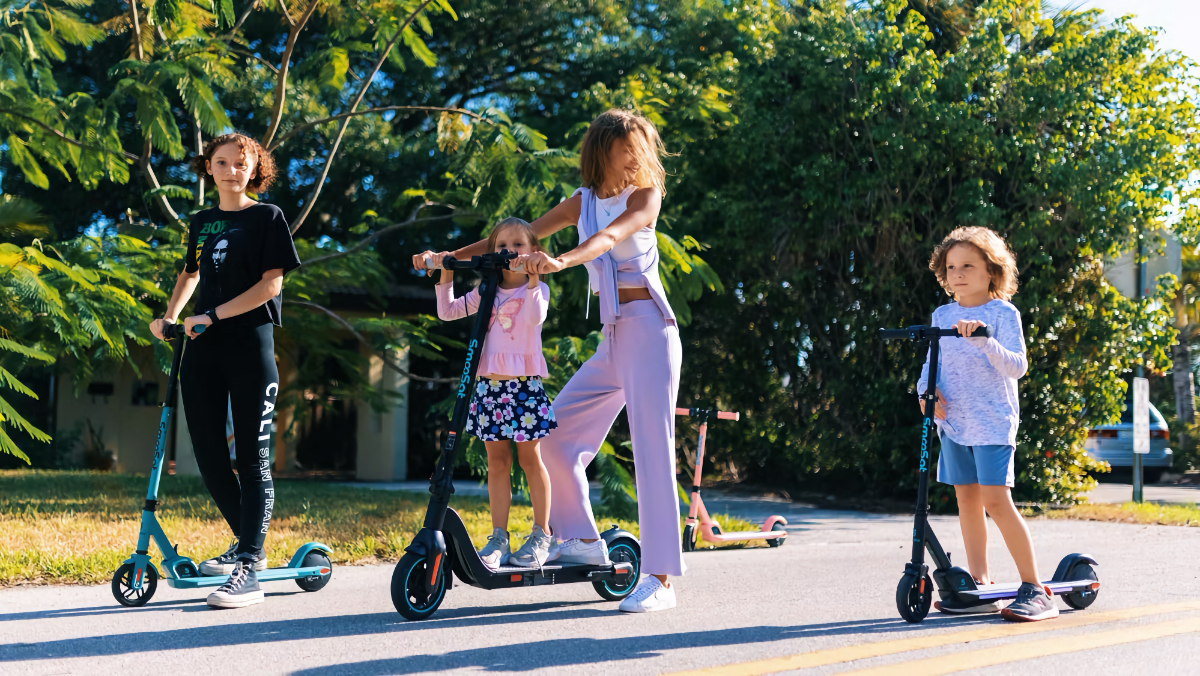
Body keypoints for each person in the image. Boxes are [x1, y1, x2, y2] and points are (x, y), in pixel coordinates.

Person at [412, 108, 684, 613]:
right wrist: (447, 259)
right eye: (630, 146)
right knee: (555, 436)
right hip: (614, 337)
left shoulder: (645, 196)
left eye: (642, 146)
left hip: (650, 331)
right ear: (603, 150)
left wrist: (562, 260)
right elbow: (513, 237)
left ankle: (662, 579)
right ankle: (581, 538)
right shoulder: (582, 201)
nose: (639, 156)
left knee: (651, 452)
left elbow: (608, 238)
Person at [149, 133, 300, 609]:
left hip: (250, 349)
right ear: (208, 168)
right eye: (222, 162)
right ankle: (245, 544)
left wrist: (211, 316)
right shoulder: (201, 221)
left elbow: (270, 285)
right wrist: (171, 316)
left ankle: (249, 567)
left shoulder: (267, 218)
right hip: (202, 351)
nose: (231, 170)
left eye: (241, 162)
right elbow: (190, 273)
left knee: (251, 462)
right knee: (210, 459)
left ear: (255, 168)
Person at [916, 226, 1057, 622]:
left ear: (991, 272)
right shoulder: (942, 315)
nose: (957, 273)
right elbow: (931, 367)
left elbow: (1017, 366)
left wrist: (984, 341)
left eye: (968, 265)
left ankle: (1035, 588)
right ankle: (981, 583)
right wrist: (924, 394)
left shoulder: (1002, 313)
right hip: (955, 425)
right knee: (967, 500)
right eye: (951, 266)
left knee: (996, 501)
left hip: (993, 423)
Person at [430, 218, 558, 568]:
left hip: (523, 388)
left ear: (534, 252)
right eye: (502, 245)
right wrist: (446, 271)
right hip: (489, 388)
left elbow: (533, 318)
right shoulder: (486, 292)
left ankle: (541, 535)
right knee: (497, 464)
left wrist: (534, 276)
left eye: (518, 245)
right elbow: (447, 311)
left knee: (531, 460)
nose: (509, 252)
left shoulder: (537, 291)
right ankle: (498, 537)